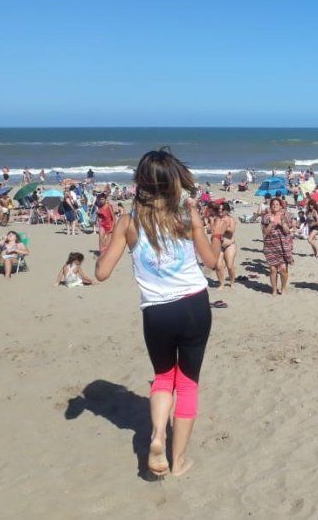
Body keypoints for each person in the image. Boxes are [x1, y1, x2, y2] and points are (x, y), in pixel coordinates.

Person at [95, 149, 222, 477]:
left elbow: (102, 273)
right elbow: (210, 262)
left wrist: (105, 246)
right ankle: (178, 461)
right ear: (172, 180)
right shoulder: (186, 214)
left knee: (164, 377)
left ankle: (156, 435)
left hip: (157, 311)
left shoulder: (128, 220)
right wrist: (216, 240)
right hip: (194, 305)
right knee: (188, 383)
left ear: (140, 181)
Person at [261, 197, 293, 295]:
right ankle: (274, 289)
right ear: (270, 206)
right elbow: (264, 233)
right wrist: (271, 223)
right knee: (273, 269)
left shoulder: (285, 216)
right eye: (273, 204)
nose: (275, 206)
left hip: (284, 246)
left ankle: (283, 288)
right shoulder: (266, 217)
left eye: (277, 204)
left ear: (280, 206)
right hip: (270, 246)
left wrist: (281, 222)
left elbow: (287, 231)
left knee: (283, 269)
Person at [212, 202, 238, 289]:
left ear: (226, 211)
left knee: (230, 266)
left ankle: (232, 282)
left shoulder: (230, 219)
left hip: (229, 245)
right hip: (218, 245)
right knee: (218, 265)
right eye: (219, 209)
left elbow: (232, 231)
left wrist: (225, 226)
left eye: (222, 209)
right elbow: (212, 230)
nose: (220, 211)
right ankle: (221, 283)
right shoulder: (216, 218)